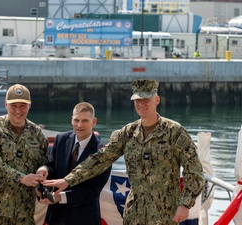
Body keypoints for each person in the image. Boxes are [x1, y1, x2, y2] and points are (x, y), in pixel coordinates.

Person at [42, 79, 204, 225]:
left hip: (165, 213)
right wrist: (68, 180)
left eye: (145, 99)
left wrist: (185, 204)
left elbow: (194, 171)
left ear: (157, 100)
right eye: (137, 100)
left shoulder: (174, 132)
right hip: (135, 213)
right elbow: (100, 159)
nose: (141, 104)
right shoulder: (127, 133)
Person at [0, 84, 49, 225]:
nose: (18, 110)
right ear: (5, 105)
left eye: (22, 105)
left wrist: (43, 172)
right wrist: (21, 178)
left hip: (25, 214)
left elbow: (45, 162)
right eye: (13, 105)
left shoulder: (37, 133)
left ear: (29, 105)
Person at [36, 102, 111, 225]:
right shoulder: (61, 139)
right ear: (72, 120)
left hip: (84, 219)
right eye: (76, 120)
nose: (79, 125)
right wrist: (44, 170)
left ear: (94, 122)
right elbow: (52, 165)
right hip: (56, 216)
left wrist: (61, 197)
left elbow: (92, 191)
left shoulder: (103, 152)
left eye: (85, 121)